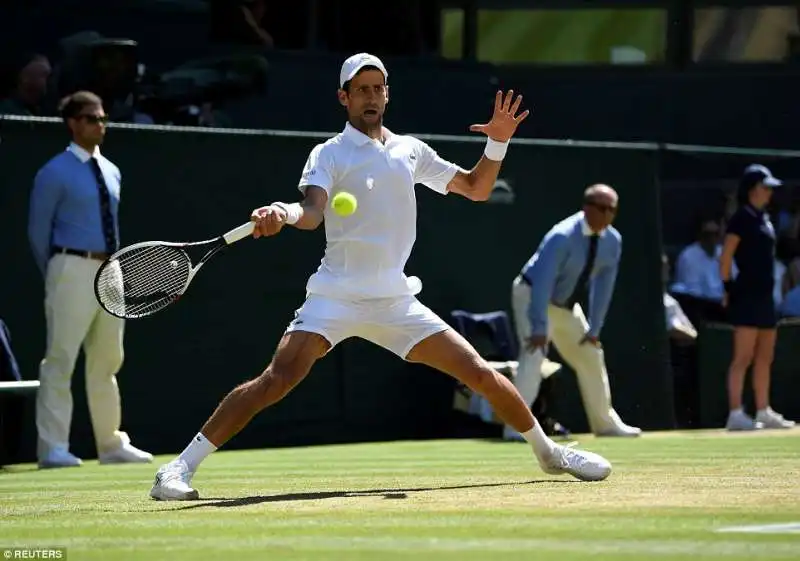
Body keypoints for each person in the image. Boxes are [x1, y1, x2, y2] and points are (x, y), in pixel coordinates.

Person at [149, 53, 613, 500]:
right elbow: (312, 212)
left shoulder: (411, 150)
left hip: (394, 299)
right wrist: (283, 213)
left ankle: (549, 454)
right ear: (343, 98)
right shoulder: (328, 154)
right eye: (361, 90)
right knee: (276, 379)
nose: (370, 96)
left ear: (386, 94)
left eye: (378, 88)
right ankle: (177, 468)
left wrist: (498, 141)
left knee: (479, 372)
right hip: (335, 295)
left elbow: (477, 187)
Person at [28, 91, 153, 468]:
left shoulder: (112, 170)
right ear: (73, 123)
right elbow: (38, 232)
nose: (101, 125)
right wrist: (58, 274)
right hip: (70, 267)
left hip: (111, 268)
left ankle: (111, 444)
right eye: (92, 118)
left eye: (103, 118)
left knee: (108, 358)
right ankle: (52, 448)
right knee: (60, 359)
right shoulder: (53, 171)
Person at [507, 185, 641, 441]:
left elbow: (604, 285)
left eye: (613, 209)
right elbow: (542, 283)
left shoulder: (613, 241)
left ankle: (605, 424)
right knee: (534, 354)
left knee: (591, 354)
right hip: (532, 295)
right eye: (602, 208)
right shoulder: (562, 236)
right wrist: (538, 327)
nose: (608, 215)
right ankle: (516, 427)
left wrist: (595, 329)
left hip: (566, 305)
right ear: (587, 208)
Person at [720, 164, 796, 431]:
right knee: (743, 357)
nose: (770, 193)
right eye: (766, 187)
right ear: (753, 189)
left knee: (765, 356)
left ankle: (763, 410)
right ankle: (735, 413)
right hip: (746, 295)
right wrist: (728, 288)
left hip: (766, 297)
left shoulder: (764, 218)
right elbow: (726, 256)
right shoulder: (740, 218)